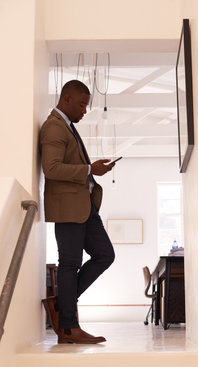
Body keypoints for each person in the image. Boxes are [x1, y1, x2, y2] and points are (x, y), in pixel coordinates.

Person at [40, 80, 115, 344]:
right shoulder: (53, 127)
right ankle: (69, 327)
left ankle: (61, 305)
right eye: (82, 104)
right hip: (68, 209)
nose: (85, 110)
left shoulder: (67, 127)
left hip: (85, 207)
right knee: (69, 265)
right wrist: (88, 170)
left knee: (105, 255)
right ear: (67, 99)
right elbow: (51, 169)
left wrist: (92, 171)